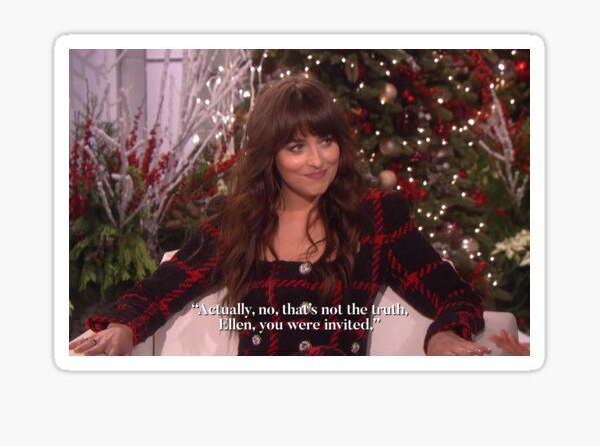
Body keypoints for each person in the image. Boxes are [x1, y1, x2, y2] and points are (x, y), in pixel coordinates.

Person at [70, 74, 492, 356]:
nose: (318, 161)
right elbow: (160, 290)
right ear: (269, 154)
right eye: (296, 147)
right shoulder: (236, 222)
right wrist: (124, 328)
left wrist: (444, 334)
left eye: (326, 141)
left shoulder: (377, 217)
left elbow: (456, 296)